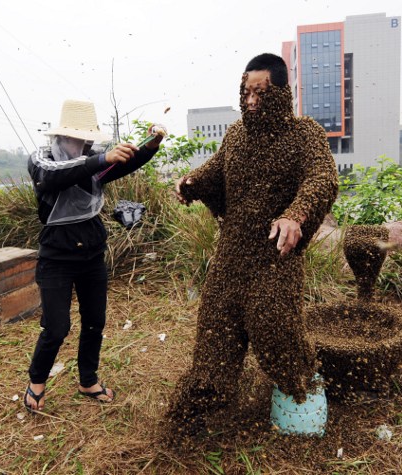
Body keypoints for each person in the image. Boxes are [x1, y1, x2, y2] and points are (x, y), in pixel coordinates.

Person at [167, 53, 339, 436]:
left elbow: (322, 178)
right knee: (215, 332)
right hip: (230, 258)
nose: (251, 101)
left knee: (275, 329)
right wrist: (192, 183)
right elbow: (215, 169)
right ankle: (205, 400)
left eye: (260, 93)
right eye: (246, 92)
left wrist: (295, 215)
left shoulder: (304, 134)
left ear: (281, 93)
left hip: (274, 258)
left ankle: (300, 387)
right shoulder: (236, 135)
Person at [24, 99, 166, 412]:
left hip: (91, 254)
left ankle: (87, 380)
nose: (86, 145)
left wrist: (151, 146)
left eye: (89, 140)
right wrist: (101, 159)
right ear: (63, 136)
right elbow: (51, 177)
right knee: (56, 327)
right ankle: (36, 382)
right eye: (80, 139)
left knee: (94, 322)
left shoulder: (92, 163)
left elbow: (123, 164)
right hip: (56, 258)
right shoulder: (42, 159)